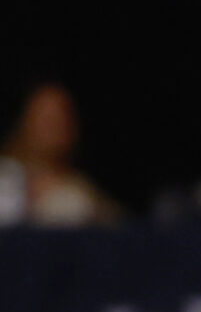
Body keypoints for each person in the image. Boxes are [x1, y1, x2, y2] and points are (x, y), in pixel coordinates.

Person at [0, 82, 118, 225]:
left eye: (60, 118)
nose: (52, 127)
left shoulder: (82, 193)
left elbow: (118, 225)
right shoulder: (5, 176)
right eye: (45, 118)